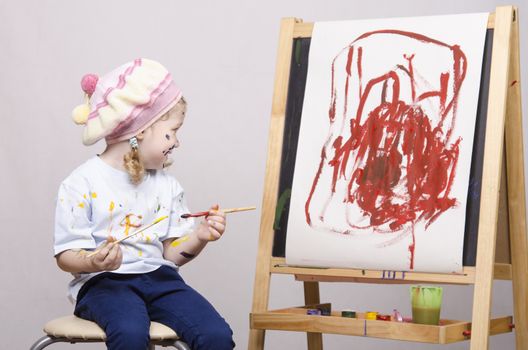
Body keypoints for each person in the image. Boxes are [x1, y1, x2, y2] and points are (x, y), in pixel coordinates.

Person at [53, 58, 235, 350]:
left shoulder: (167, 184)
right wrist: (92, 261)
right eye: (171, 131)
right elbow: (65, 257)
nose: (177, 142)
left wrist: (200, 237)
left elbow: (171, 256)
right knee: (129, 332)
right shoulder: (81, 183)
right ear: (140, 130)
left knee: (216, 335)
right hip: (104, 284)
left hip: (160, 280)